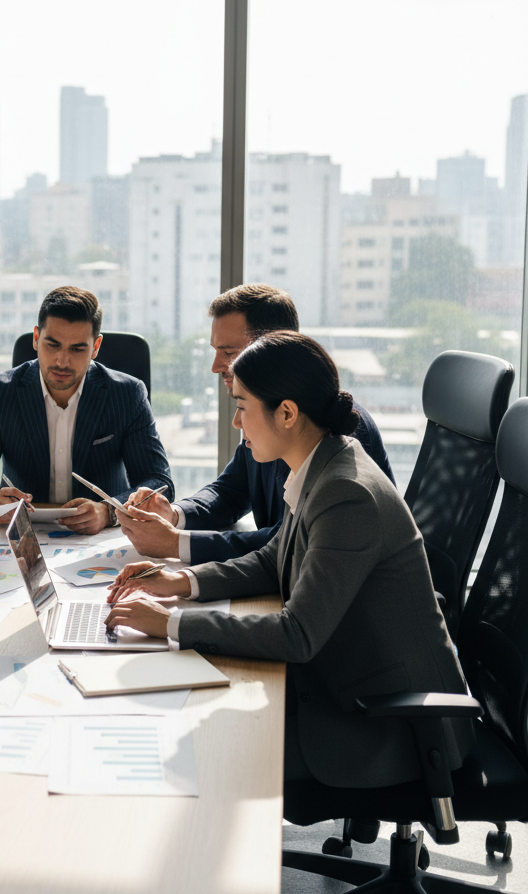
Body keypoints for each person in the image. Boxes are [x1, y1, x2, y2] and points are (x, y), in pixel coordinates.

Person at [105, 331, 472, 787]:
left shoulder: (346, 492)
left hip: (391, 726)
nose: (236, 422)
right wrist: (180, 583)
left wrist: (170, 624)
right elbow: (271, 560)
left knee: (205, 749)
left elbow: (296, 634)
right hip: (352, 686)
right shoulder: (324, 463)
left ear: (287, 413)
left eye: (242, 406)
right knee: (196, 717)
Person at [118, 283, 394, 563]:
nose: (215, 366)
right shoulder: (262, 411)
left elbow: (291, 542)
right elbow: (231, 491)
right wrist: (175, 515)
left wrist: (177, 544)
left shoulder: (340, 430)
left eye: (228, 353)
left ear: (272, 348)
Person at [0, 286, 173, 535]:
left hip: (100, 539)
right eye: (52, 345)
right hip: (22, 537)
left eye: (77, 349)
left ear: (96, 347)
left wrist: (108, 511)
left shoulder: (128, 394)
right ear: (36, 337)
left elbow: (158, 483)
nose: (62, 361)